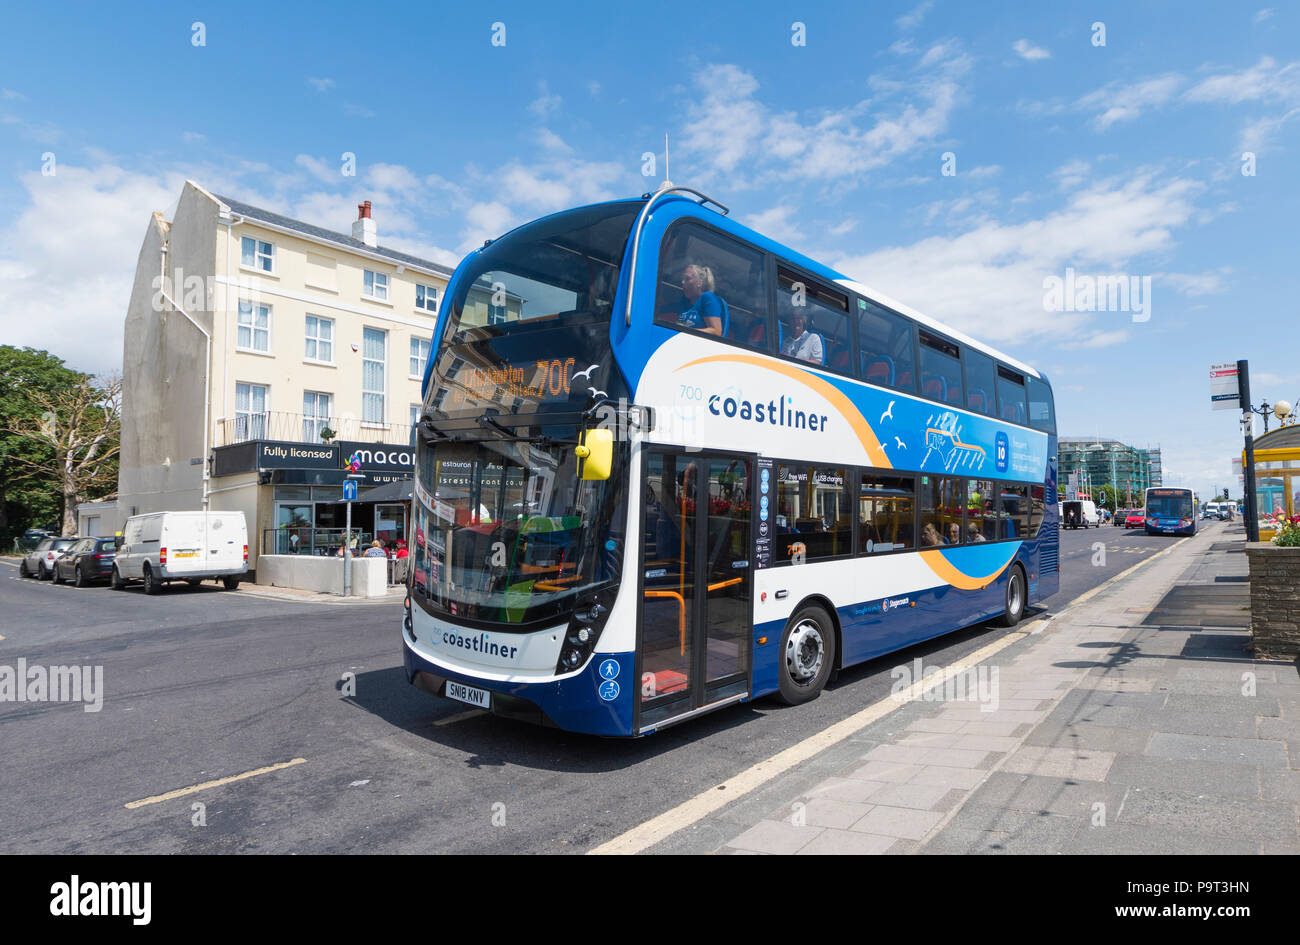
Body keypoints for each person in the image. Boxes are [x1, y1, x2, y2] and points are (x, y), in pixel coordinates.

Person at [673, 264, 725, 336]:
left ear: (699, 283)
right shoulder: (686, 303)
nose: (682, 282)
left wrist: (686, 332)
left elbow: (716, 331)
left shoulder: (707, 297)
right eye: (683, 279)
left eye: (687, 279)